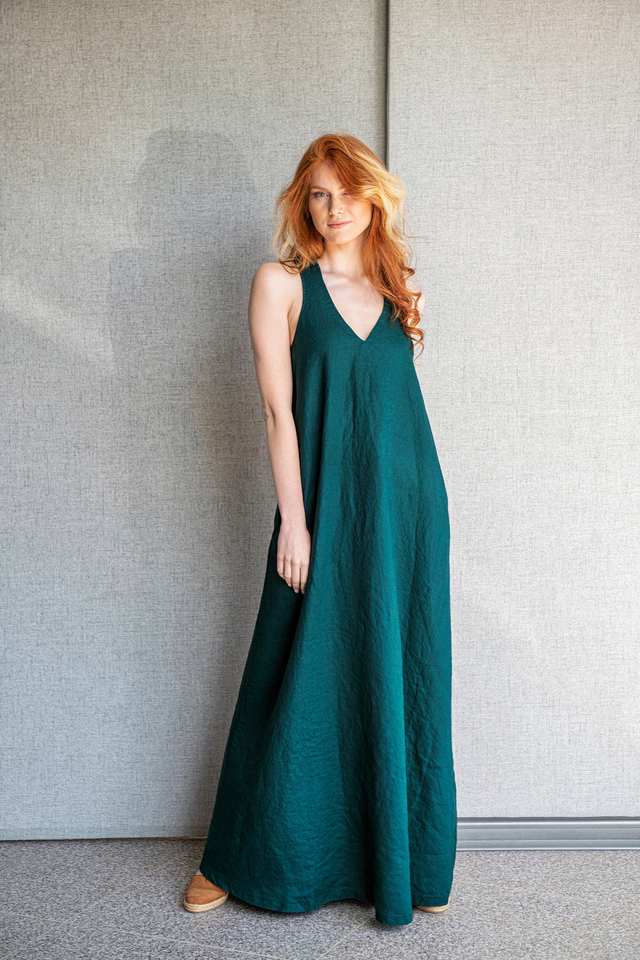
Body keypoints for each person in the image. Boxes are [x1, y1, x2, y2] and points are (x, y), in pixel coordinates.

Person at [183, 133, 457, 926]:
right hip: (323, 507)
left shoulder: (401, 288)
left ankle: (404, 859)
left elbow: (393, 414)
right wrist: (294, 524)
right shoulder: (281, 284)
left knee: (399, 670)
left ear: (374, 198)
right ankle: (239, 856)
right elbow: (279, 413)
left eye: (347, 192)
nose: (333, 208)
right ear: (303, 203)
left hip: (407, 512)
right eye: (318, 194)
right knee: (291, 668)